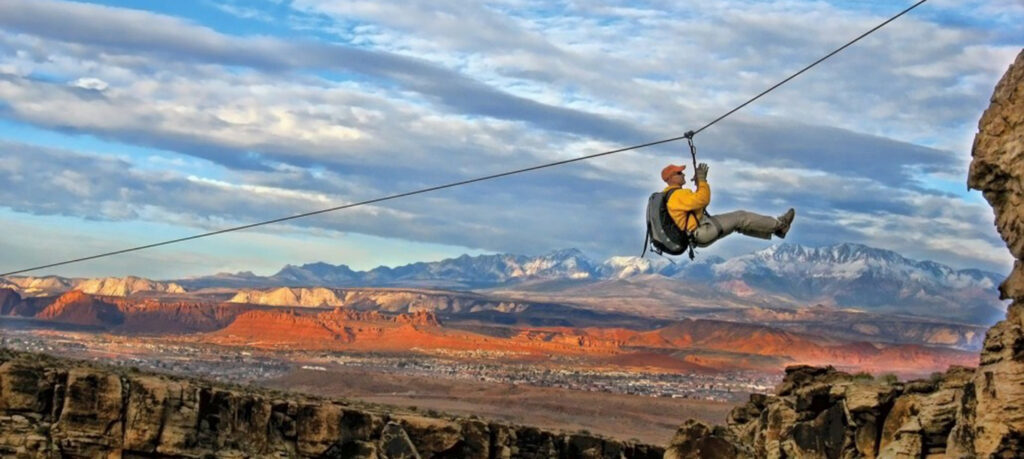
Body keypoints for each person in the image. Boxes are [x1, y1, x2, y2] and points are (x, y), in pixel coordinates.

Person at [661, 162, 795, 247]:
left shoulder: (671, 196)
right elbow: (703, 200)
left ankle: (775, 230)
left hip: (696, 234)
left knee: (738, 225)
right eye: (679, 173)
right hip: (701, 231)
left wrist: (700, 183)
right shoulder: (678, 195)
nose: (683, 174)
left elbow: (696, 206)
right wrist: (702, 180)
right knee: (741, 217)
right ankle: (780, 226)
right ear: (671, 178)